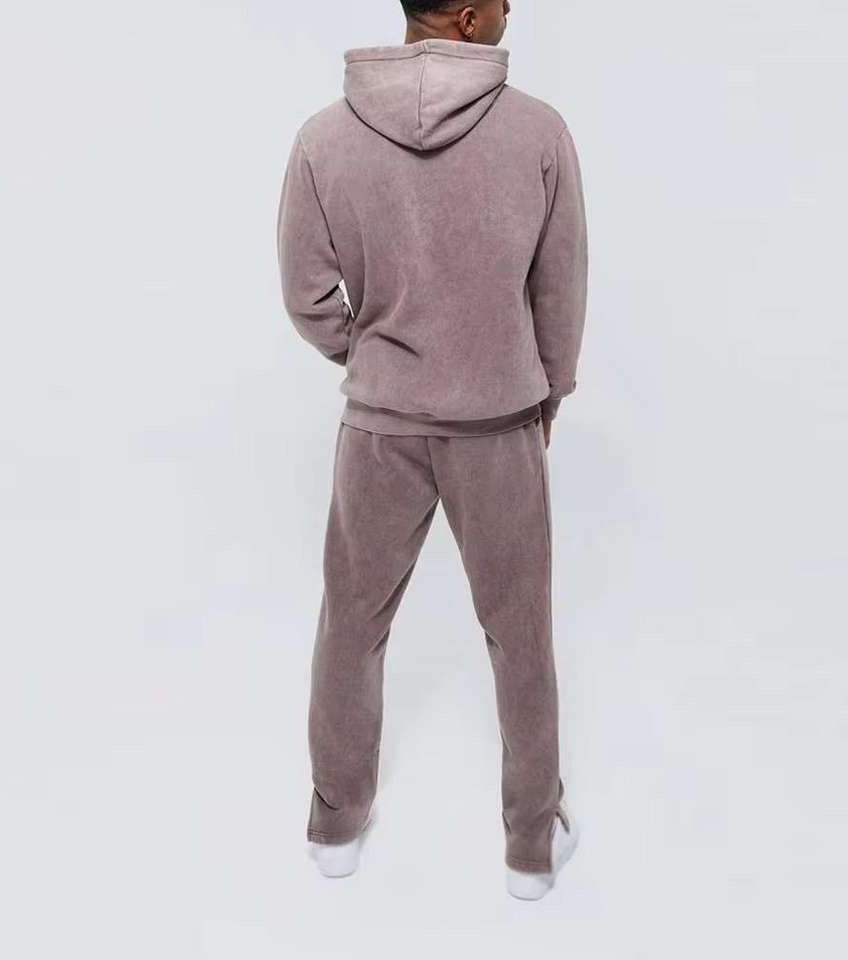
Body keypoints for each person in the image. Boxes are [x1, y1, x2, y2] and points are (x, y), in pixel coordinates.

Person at [276, 0, 588, 900]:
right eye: (500, 0)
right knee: (520, 633)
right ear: (466, 18)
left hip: (380, 426)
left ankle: (336, 828)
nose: (512, 10)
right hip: (498, 423)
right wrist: (549, 389)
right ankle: (531, 848)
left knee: (352, 624)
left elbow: (306, 295)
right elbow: (560, 286)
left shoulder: (324, 138)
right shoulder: (538, 131)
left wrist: (374, 357)